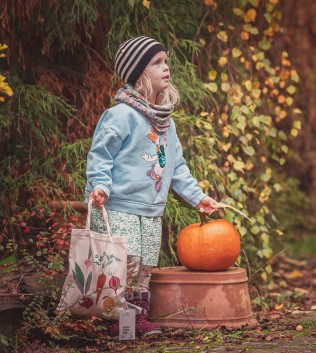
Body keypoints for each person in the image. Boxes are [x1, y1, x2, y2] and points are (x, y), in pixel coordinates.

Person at [85, 36, 219, 337]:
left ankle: (134, 324)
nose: (166, 68)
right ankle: (117, 321)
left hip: (150, 208)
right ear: (138, 73)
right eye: (156, 63)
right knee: (125, 264)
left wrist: (198, 198)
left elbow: (177, 167)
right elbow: (100, 155)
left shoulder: (166, 123)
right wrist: (101, 186)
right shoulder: (121, 116)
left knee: (144, 267)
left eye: (166, 61)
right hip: (118, 205)